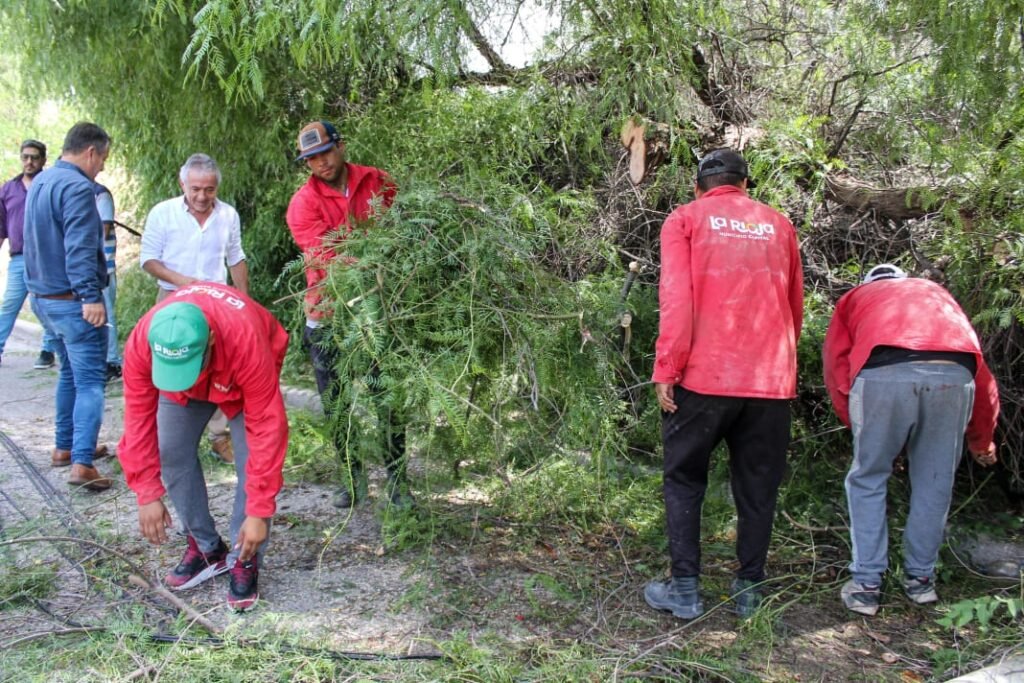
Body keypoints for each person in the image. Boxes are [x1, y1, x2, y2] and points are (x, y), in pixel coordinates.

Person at [644, 148, 804, 620]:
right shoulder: (780, 225)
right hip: (770, 380)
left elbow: (676, 298)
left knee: (684, 478)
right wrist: (782, 368)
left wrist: (666, 369)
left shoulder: (685, 220)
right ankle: (748, 591)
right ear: (745, 185)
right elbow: (793, 306)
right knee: (758, 486)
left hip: (704, 378)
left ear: (699, 187)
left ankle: (686, 591)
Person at [823, 264, 1000, 616]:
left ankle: (866, 586)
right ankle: (921, 582)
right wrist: (983, 441)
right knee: (934, 483)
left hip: (883, 373)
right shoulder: (937, 294)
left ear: (869, 284)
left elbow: (836, 366)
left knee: (868, 477)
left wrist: (859, 426)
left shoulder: (855, 298)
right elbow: (983, 379)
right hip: (955, 373)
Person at [117, 281, 289, 611]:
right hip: (185, 376)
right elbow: (138, 419)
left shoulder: (245, 341)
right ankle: (207, 548)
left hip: (239, 370)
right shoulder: (145, 341)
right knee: (171, 449)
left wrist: (258, 510)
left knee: (250, 457)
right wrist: (146, 491)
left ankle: (246, 556)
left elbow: (268, 429)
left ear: (209, 339)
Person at [285, 119, 410, 509]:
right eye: (311, 159)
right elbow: (324, 255)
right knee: (336, 401)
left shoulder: (378, 181)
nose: (320, 163)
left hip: (378, 312)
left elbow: (403, 230)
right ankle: (351, 478)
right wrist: (372, 255)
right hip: (328, 314)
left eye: (325, 152)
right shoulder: (303, 204)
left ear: (340, 146)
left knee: (385, 395)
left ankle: (398, 480)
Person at [139, 153, 248, 464]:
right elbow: (148, 259)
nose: (202, 196)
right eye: (196, 188)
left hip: (217, 304)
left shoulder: (228, 215)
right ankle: (164, 440)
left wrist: (245, 303)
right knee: (167, 365)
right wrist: (184, 281)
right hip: (173, 301)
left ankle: (218, 437)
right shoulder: (163, 213)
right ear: (182, 183)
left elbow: (236, 258)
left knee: (219, 367)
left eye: (209, 190)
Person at [24, 122, 113, 490]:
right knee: (91, 380)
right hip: (72, 302)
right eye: (103, 158)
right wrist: (91, 297)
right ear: (90, 152)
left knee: (70, 374)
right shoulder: (78, 187)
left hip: (43, 299)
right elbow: (78, 248)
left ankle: (65, 447)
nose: (103, 167)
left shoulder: (40, 182)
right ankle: (82, 463)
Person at [0, 139, 60, 370]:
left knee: (47, 302)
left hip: (47, 256)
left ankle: (47, 350)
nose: (29, 161)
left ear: (43, 160)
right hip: (19, 257)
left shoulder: (51, 185)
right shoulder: (8, 189)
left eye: (35, 157)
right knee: (10, 305)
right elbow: (1, 226)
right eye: (25, 157)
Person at [95, 182, 122, 382]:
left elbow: (102, 231)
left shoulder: (100, 194)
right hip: (84, 266)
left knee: (106, 314)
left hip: (102, 266)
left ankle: (112, 361)